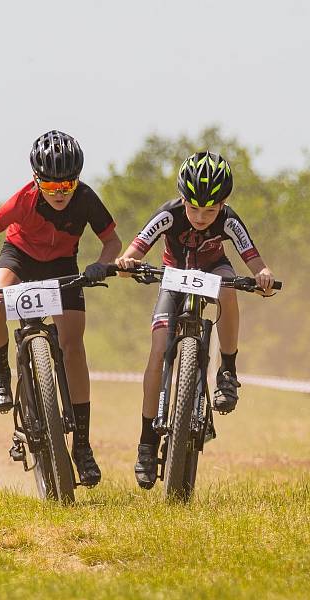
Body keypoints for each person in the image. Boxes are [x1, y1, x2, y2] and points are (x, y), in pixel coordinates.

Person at [0, 130, 122, 487]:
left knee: (73, 348)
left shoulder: (86, 199)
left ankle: (82, 446)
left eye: (67, 185)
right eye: (50, 186)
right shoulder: (21, 201)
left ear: (78, 180)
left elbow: (112, 241)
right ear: (36, 180)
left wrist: (102, 263)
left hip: (62, 267)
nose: (59, 193)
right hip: (19, 259)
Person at [115, 151, 275, 489]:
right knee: (158, 351)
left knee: (228, 293)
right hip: (173, 275)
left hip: (213, 270)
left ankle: (228, 371)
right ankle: (147, 442)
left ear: (223, 204)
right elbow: (134, 250)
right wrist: (127, 263)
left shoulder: (230, 219)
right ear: (183, 199)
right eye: (194, 208)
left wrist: (262, 276)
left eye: (210, 210)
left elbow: (254, 259)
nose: (201, 217)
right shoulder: (168, 214)